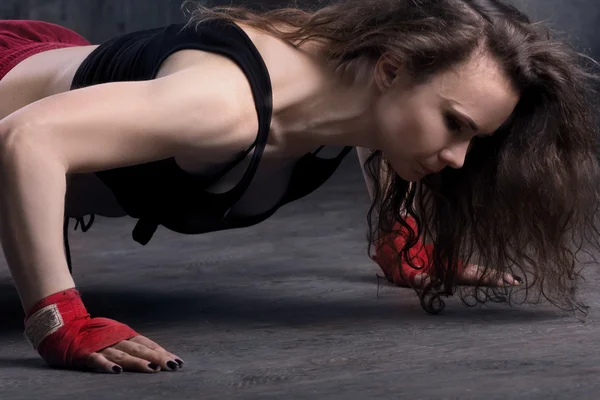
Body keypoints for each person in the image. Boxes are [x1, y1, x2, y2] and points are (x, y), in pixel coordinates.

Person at [0, 0, 598, 375]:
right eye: (455, 124)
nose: (458, 158)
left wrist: (402, 241)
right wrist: (60, 322)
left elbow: (379, 134)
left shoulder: (356, 95)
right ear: (391, 69)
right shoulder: (222, 106)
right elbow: (27, 141)